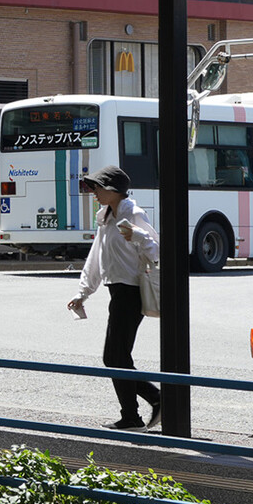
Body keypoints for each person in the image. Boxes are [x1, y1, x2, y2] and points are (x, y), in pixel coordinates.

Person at [66, 165, 163, 430]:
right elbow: (96, 257)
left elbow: (156, 250)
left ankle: (148, 404)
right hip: (117, 291)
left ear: (113, 189)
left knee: (115, 357)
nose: (93, 191)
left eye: (97, 187)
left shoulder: (133, 213)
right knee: (116, 356)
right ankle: (136, 412)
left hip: (131, 291)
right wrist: (83, 292)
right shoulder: (106, 217)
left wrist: (138, 235)